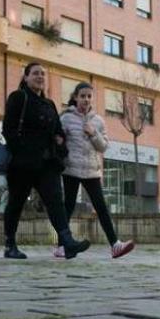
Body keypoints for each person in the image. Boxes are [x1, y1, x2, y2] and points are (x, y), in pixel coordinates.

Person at [0, 63, 91, 260]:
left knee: (55, 202)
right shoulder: (18, 98)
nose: (40, 77)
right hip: (22, 164)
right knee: (16, 203)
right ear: (25, 77)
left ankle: (67, 242)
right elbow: (8, 129)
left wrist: (60, 144)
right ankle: (10, 244)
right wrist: (21, 151)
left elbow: (58, 131)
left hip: (47, 164)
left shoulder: (49, 104)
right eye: (35, 73)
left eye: (43, 74)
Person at [54, 82, 135, 259]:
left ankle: (115, 244)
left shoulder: (98, 120)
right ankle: (62, 246)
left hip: (91, 170)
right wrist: (59, 140)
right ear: (75, 97)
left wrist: (93, 133)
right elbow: (58, 139)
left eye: (89, 96)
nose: (86, 99)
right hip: (71, 168)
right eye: (82, 96)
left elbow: (103, 146)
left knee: (101, 207)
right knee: (67, 207)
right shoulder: (66, 118)